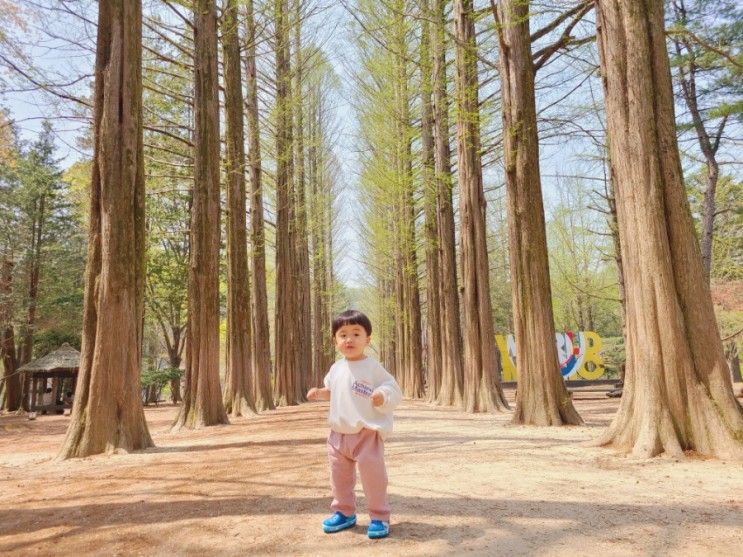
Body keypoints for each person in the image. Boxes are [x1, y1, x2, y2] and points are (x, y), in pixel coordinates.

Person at [307, 309, 403, 540]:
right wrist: (320, 393)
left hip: (366, 433)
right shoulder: (336, 368)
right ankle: (344, 512)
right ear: (335, 341)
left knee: (373, 477)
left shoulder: (372, 367)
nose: (349, 339)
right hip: (338, 434)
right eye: (343, 334)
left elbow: (392, 386)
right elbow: (333, 390)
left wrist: (382, 395)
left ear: (367, 340)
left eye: (356, 334)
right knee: (339, 478)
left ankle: (379, 516)